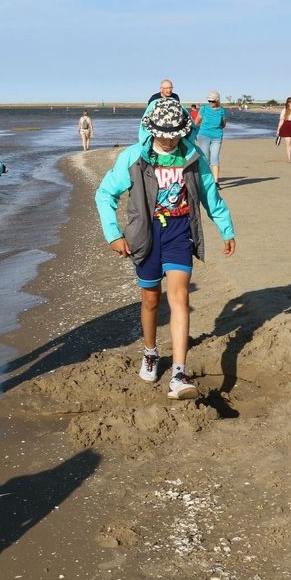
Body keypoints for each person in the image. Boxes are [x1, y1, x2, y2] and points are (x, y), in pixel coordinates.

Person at [94, 98, 236, 400]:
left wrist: (226, 228)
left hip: (179, 231)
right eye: (164, 134)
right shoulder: (134, 157)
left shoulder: (193, 156)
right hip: (145, 234)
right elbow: (105, 193)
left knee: (180, 296)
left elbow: (210, 194)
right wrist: (113, 235)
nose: (170, 140)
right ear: (151, 129)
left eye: (175, 134)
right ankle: (150, 352)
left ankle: (179, 374)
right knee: (150, 301)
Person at [195, 90, 227, 180]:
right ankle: (206, 179)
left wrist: (215, 127)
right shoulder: (204, 108)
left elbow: (224, 124)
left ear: (217, 100)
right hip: (203, 136)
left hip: (217, 137)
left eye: (213, 101)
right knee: (205, 159)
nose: (211, 102)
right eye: (209, 101)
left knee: (215, 158)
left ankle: (216, 182)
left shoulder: (221, 110)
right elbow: (196, 122)